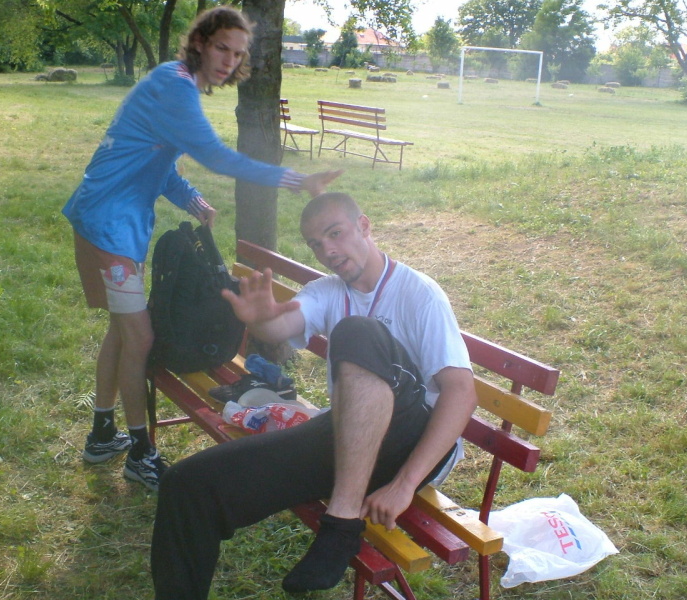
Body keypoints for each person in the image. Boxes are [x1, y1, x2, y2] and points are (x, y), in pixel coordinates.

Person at [62, 5, 341, 493]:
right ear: (199, 43)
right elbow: (216, 155)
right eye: (221, 48)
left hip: (106, 220)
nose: (229, 61)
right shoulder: (176, 86)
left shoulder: (170, 82)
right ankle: (140, 453)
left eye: (237, 54)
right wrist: (295, 179)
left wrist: (191, 200)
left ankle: (102, 434)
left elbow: (154, 160)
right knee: (139, 338)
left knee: (121, 333)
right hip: (109, 229)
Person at [150, 192, 478, 598]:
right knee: (187, 484)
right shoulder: (327, 290)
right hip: (350, 437)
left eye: (335, 234)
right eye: (316, 244)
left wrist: (405, 484)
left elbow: (461, 393)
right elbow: (284, 324)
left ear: (364, 226)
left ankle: (341, 526)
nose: (328, 251)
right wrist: (262, 321)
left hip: (412, 443)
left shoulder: (419, 293)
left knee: (357, 331)